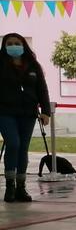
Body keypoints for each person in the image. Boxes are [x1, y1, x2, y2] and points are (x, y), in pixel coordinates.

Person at [0, 33, 50, 203]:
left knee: (23, 148)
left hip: (28, 113)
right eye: (10, 43)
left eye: (17, 43)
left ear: (23, 45)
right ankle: (10, 186)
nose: (13, 46)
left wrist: (46, 111)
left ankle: (21, 187)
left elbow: (42, 89)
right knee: (13, 144)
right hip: (5, 112)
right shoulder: (0, 64)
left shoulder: (33, 65)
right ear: (5, 46)